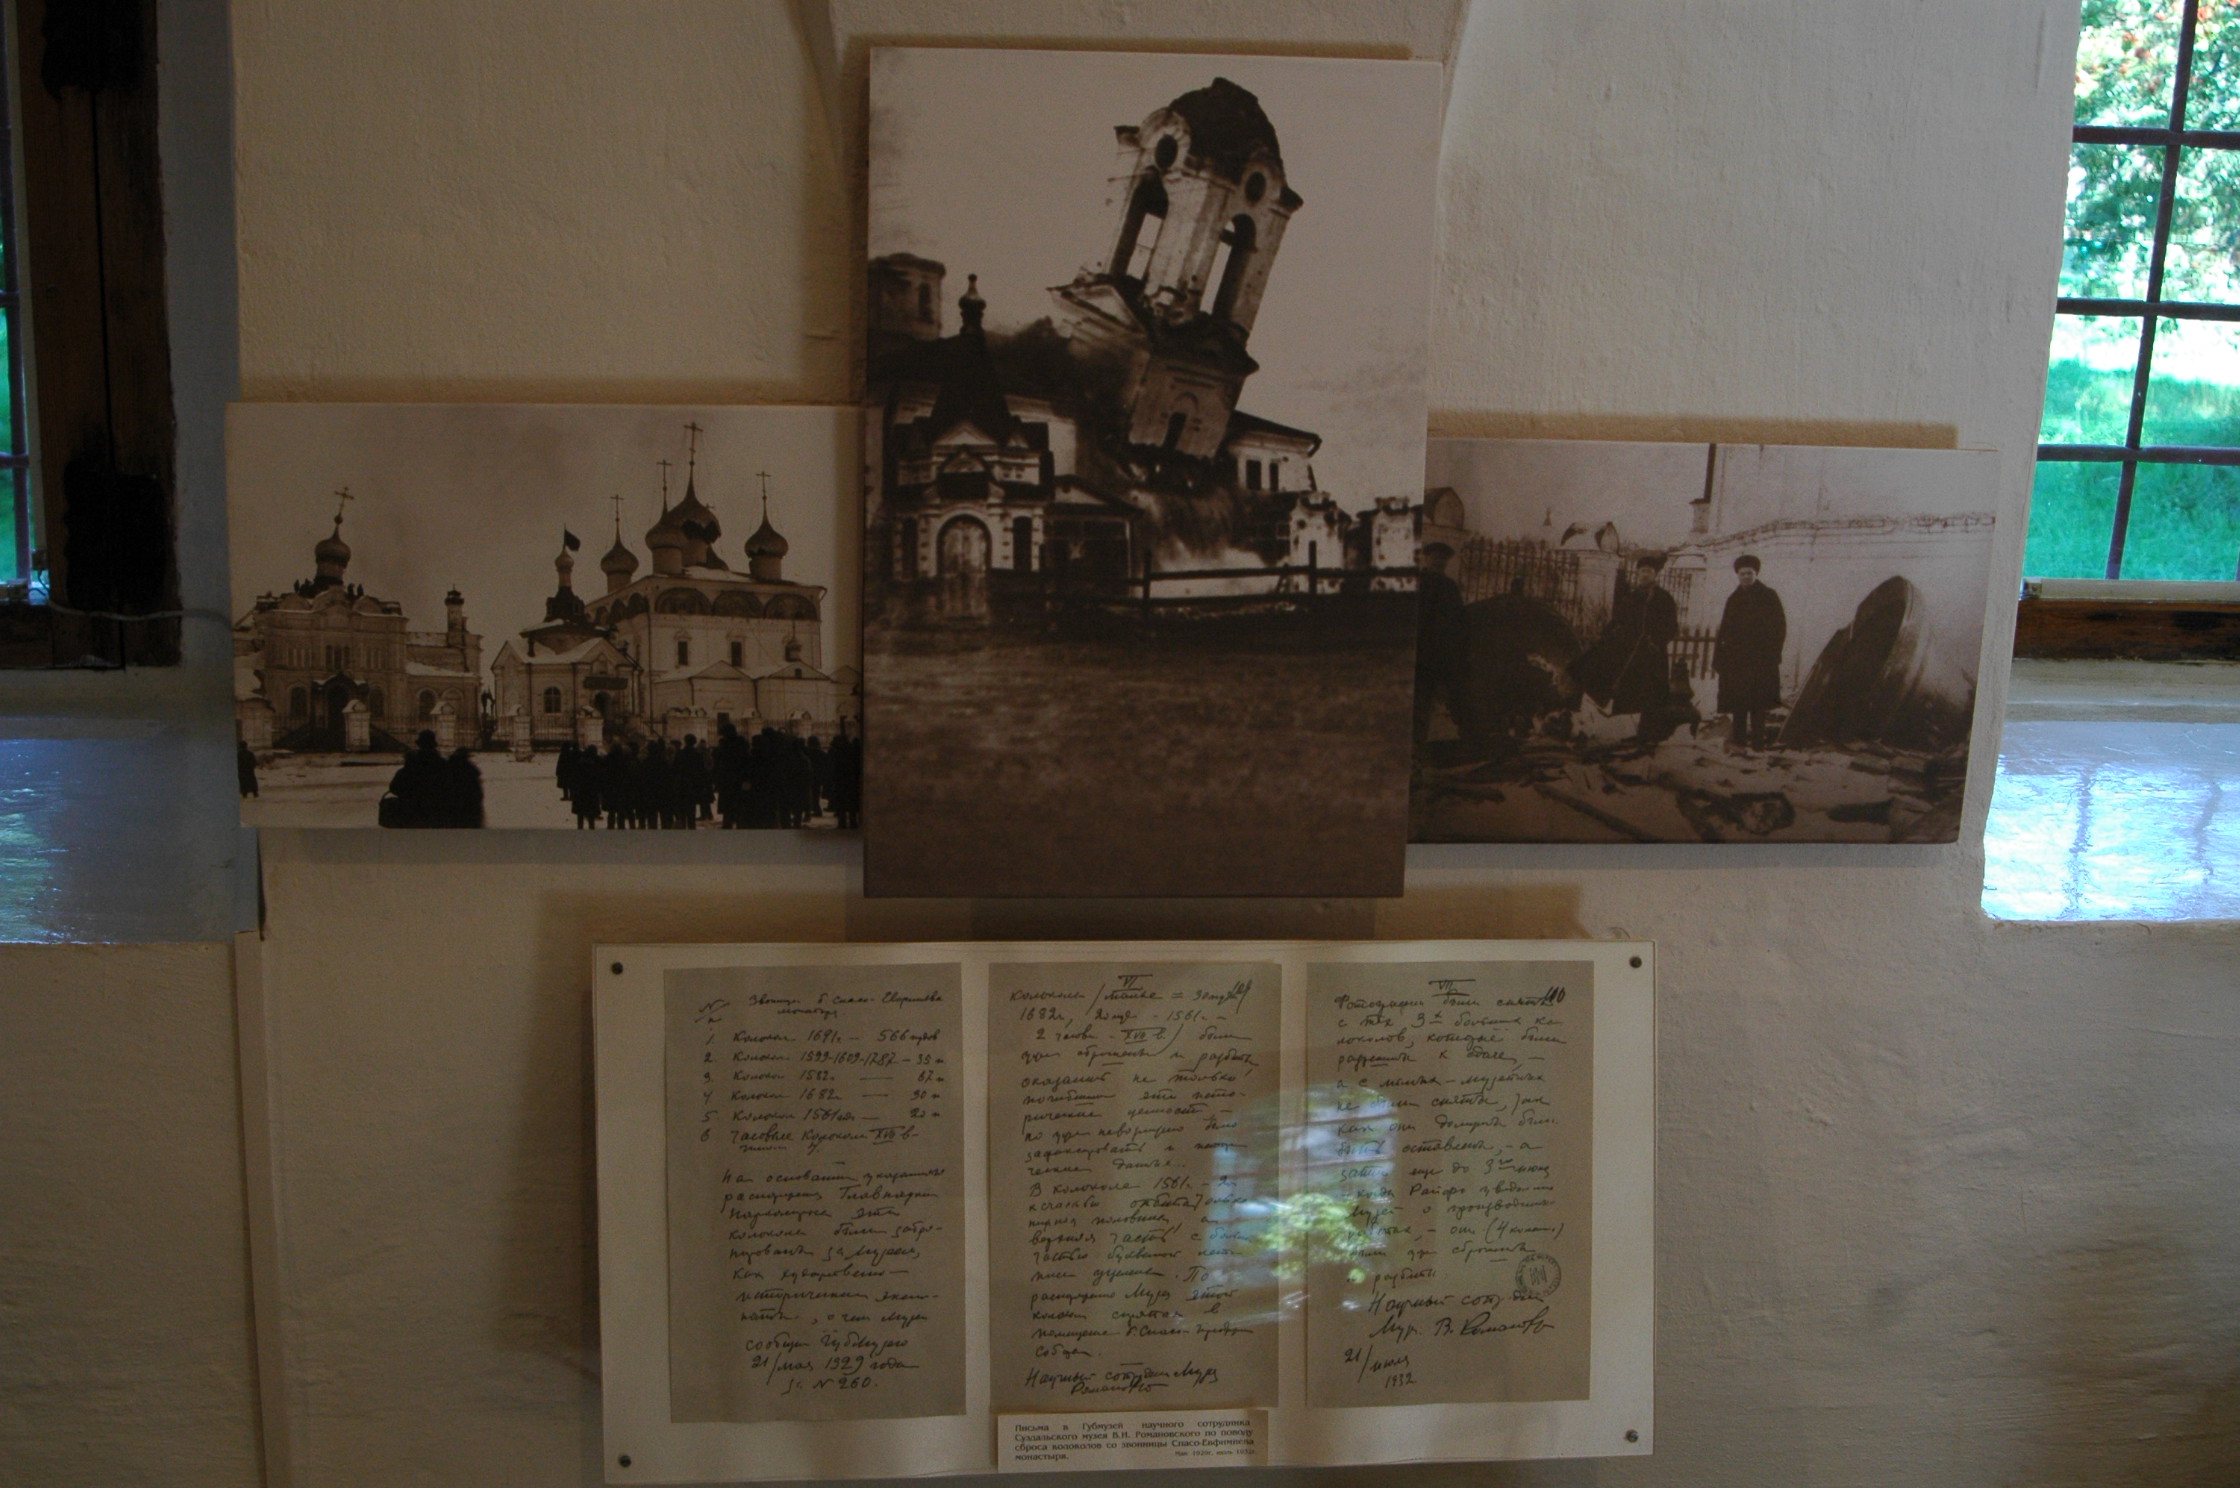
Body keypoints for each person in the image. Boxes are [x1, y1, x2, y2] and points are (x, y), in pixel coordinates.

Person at [1584, 553, 1680, 738]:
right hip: (1630, 654)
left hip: (1653, 655)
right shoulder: (1631, 598)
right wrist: (1609, 634)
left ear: (1655, 574)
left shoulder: (1664, 598)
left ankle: (1650, 735)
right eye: (1642, 571)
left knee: (1652, 695)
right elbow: (1617, 621)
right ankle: (1628, 733)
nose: (1644, 574)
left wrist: (1656, 642)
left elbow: (1672, 627)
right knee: (1629, 693)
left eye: (1649, 571)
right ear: (1637, 573)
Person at [1715, 553, 1787, 749]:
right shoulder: (1734, 598)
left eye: (1750, 573)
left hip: (1761, 660)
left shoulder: (1769, 596)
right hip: (1737, 661)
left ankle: (1757, 742)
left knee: (1758, 702)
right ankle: (1739, 740)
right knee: (1738, 701)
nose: (1746, 577)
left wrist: (1772, 653)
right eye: (1742, 573)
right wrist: (1721, 657)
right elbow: (1725, 630)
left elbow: (1779, 627)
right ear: (1737, 575)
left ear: (1756, 574)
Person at [1413, 542, 1471, 744]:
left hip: (1438, 654)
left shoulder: (1450, 587)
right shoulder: (1417, 582)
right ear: (1426, 558)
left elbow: (1458, 620)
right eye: (1435, 557)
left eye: (1443, 559)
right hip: (1418, 650)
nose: (1439, 562)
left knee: (1430, 702)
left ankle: (1421, 743)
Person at [382, 730, 449, 827]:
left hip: (410, 813)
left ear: (419, 745)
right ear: (434, 745)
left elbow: (394, 787)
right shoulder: (443, 764)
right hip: (435, 813)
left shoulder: (411, 764)